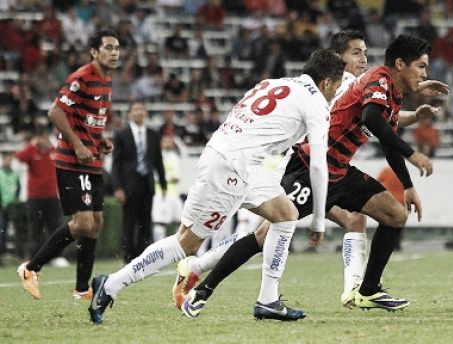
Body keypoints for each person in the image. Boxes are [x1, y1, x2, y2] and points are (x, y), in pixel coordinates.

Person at [172, 30, 449, 310]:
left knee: (392, 214)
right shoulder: (353, 82)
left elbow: (384, 121)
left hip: (338, 170)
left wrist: (408, 182)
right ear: (335, 60)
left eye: (365, 52)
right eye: (356, 53)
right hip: (308, 166)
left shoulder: (382, 89)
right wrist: (412, 153)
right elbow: (373, 117)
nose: (363, 58)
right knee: (264, 235)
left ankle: (364, 290)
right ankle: (202, 285)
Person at [87, 49, 345, 324]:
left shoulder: (274, 83)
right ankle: (111, 284)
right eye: (336, 86)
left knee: (286, 214)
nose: (334, 93)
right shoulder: (316, 101)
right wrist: (319, 220)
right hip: (232, 168)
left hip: (231, 157)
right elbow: (318, 164)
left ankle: (268, 300)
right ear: (326, 82)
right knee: (186, 242)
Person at [16, 30, 119, 300]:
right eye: (108, 47)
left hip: (91, 158)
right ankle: (31, 267)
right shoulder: (82, 77)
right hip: (73, 161)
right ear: (94, 52)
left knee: (96, 222)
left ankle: (82, 288)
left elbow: (86, 117)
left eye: (117, 48)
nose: (115, 52)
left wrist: (101, 139)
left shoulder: (106, 80)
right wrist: (77, 144)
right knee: (83, 223)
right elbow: (55, 111)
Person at [111, 101, 167, 263]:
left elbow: (158, 160)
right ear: (129, 114)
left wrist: (162, 183)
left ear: (146, 113)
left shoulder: (153, 134)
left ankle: (143, 258)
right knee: (129, 222)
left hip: (147, 184)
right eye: (135, 110)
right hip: (129, 185)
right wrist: (118, 187)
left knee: (146, 222)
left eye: (141, 110)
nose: (138, 113)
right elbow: (116, 163)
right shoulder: (122, 135)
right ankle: (128, 258)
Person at [14, 130, 65, 266]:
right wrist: (32, 145)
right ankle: (33, 258)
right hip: (35, 198)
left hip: (52, 197)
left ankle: (56, 257)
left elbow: (62, 159)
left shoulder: (53, 151)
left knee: (55, 228)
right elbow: (19, 157)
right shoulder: (31, 152)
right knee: (35, 229)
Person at [0, 151, 20, 265]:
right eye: (7, 159)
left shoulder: (14, 174)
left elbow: (18, 189)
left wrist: (15, 201)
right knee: (2, 231)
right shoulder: (0, 173)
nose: (9, 161)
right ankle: (1, 255)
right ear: (3, 159)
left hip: (13, 207)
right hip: (2, 207)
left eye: (10, 159)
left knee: (17, 230)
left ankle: (18, 253)